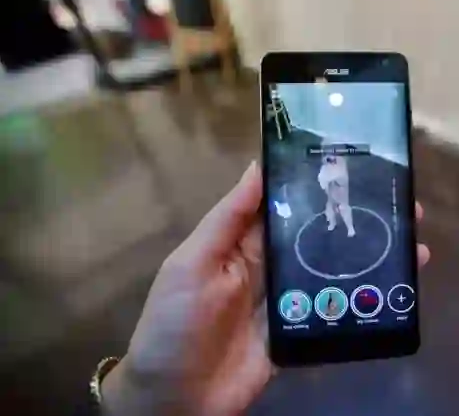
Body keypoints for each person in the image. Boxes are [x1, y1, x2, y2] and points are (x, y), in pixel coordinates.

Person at [98, 161, 431, 416]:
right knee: (331, 220)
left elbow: (337, 185)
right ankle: (336, 226)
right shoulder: (324, 175)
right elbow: (322, 183)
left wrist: (138, 396)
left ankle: (342, 227)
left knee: (340, 215)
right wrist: (140, 393)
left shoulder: (339, 172)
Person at [318, 154, 356, 237]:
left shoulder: (341, 164)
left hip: (340, 190)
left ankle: (350, 228)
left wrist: (328, 181)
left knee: (343, 208)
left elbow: (340, 178)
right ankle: (332, 223)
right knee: (329, 209)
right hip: (330, 190)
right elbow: (322, 181)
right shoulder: (325, 168)